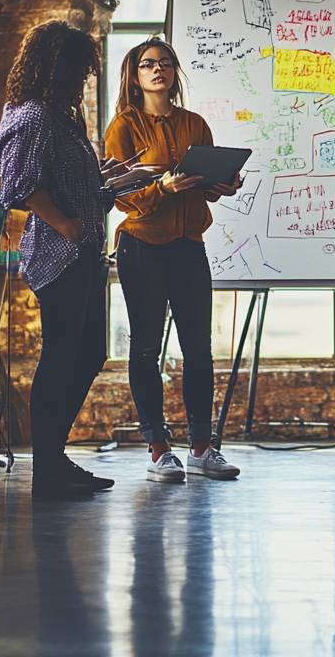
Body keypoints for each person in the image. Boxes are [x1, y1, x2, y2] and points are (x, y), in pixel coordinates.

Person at [104, 38, 241, 484]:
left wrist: (221, 184)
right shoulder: (123, 127)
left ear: (174, 72)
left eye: (165, 63)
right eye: (148, 64)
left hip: (187, 244)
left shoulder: (195, 124)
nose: (157, 70)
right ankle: (158, 448)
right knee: (146, 347)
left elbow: (204, 182)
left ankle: (203, 446)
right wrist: (163, 189)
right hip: (142, 246)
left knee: (199, 348)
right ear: (135, 75)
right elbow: (118, 196)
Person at [0, 20, 116, 500]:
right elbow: (17, 183)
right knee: (63, 354)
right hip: (59, 254)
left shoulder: (60, 118)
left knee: (86, 353)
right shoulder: (33, 117)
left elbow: (65, 181)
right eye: (78, 72)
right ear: (56, 68)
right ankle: (47, 465)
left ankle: (53, 456)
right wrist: (65, 224)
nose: (83, 82)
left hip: (82, 250)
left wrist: (105, 182)